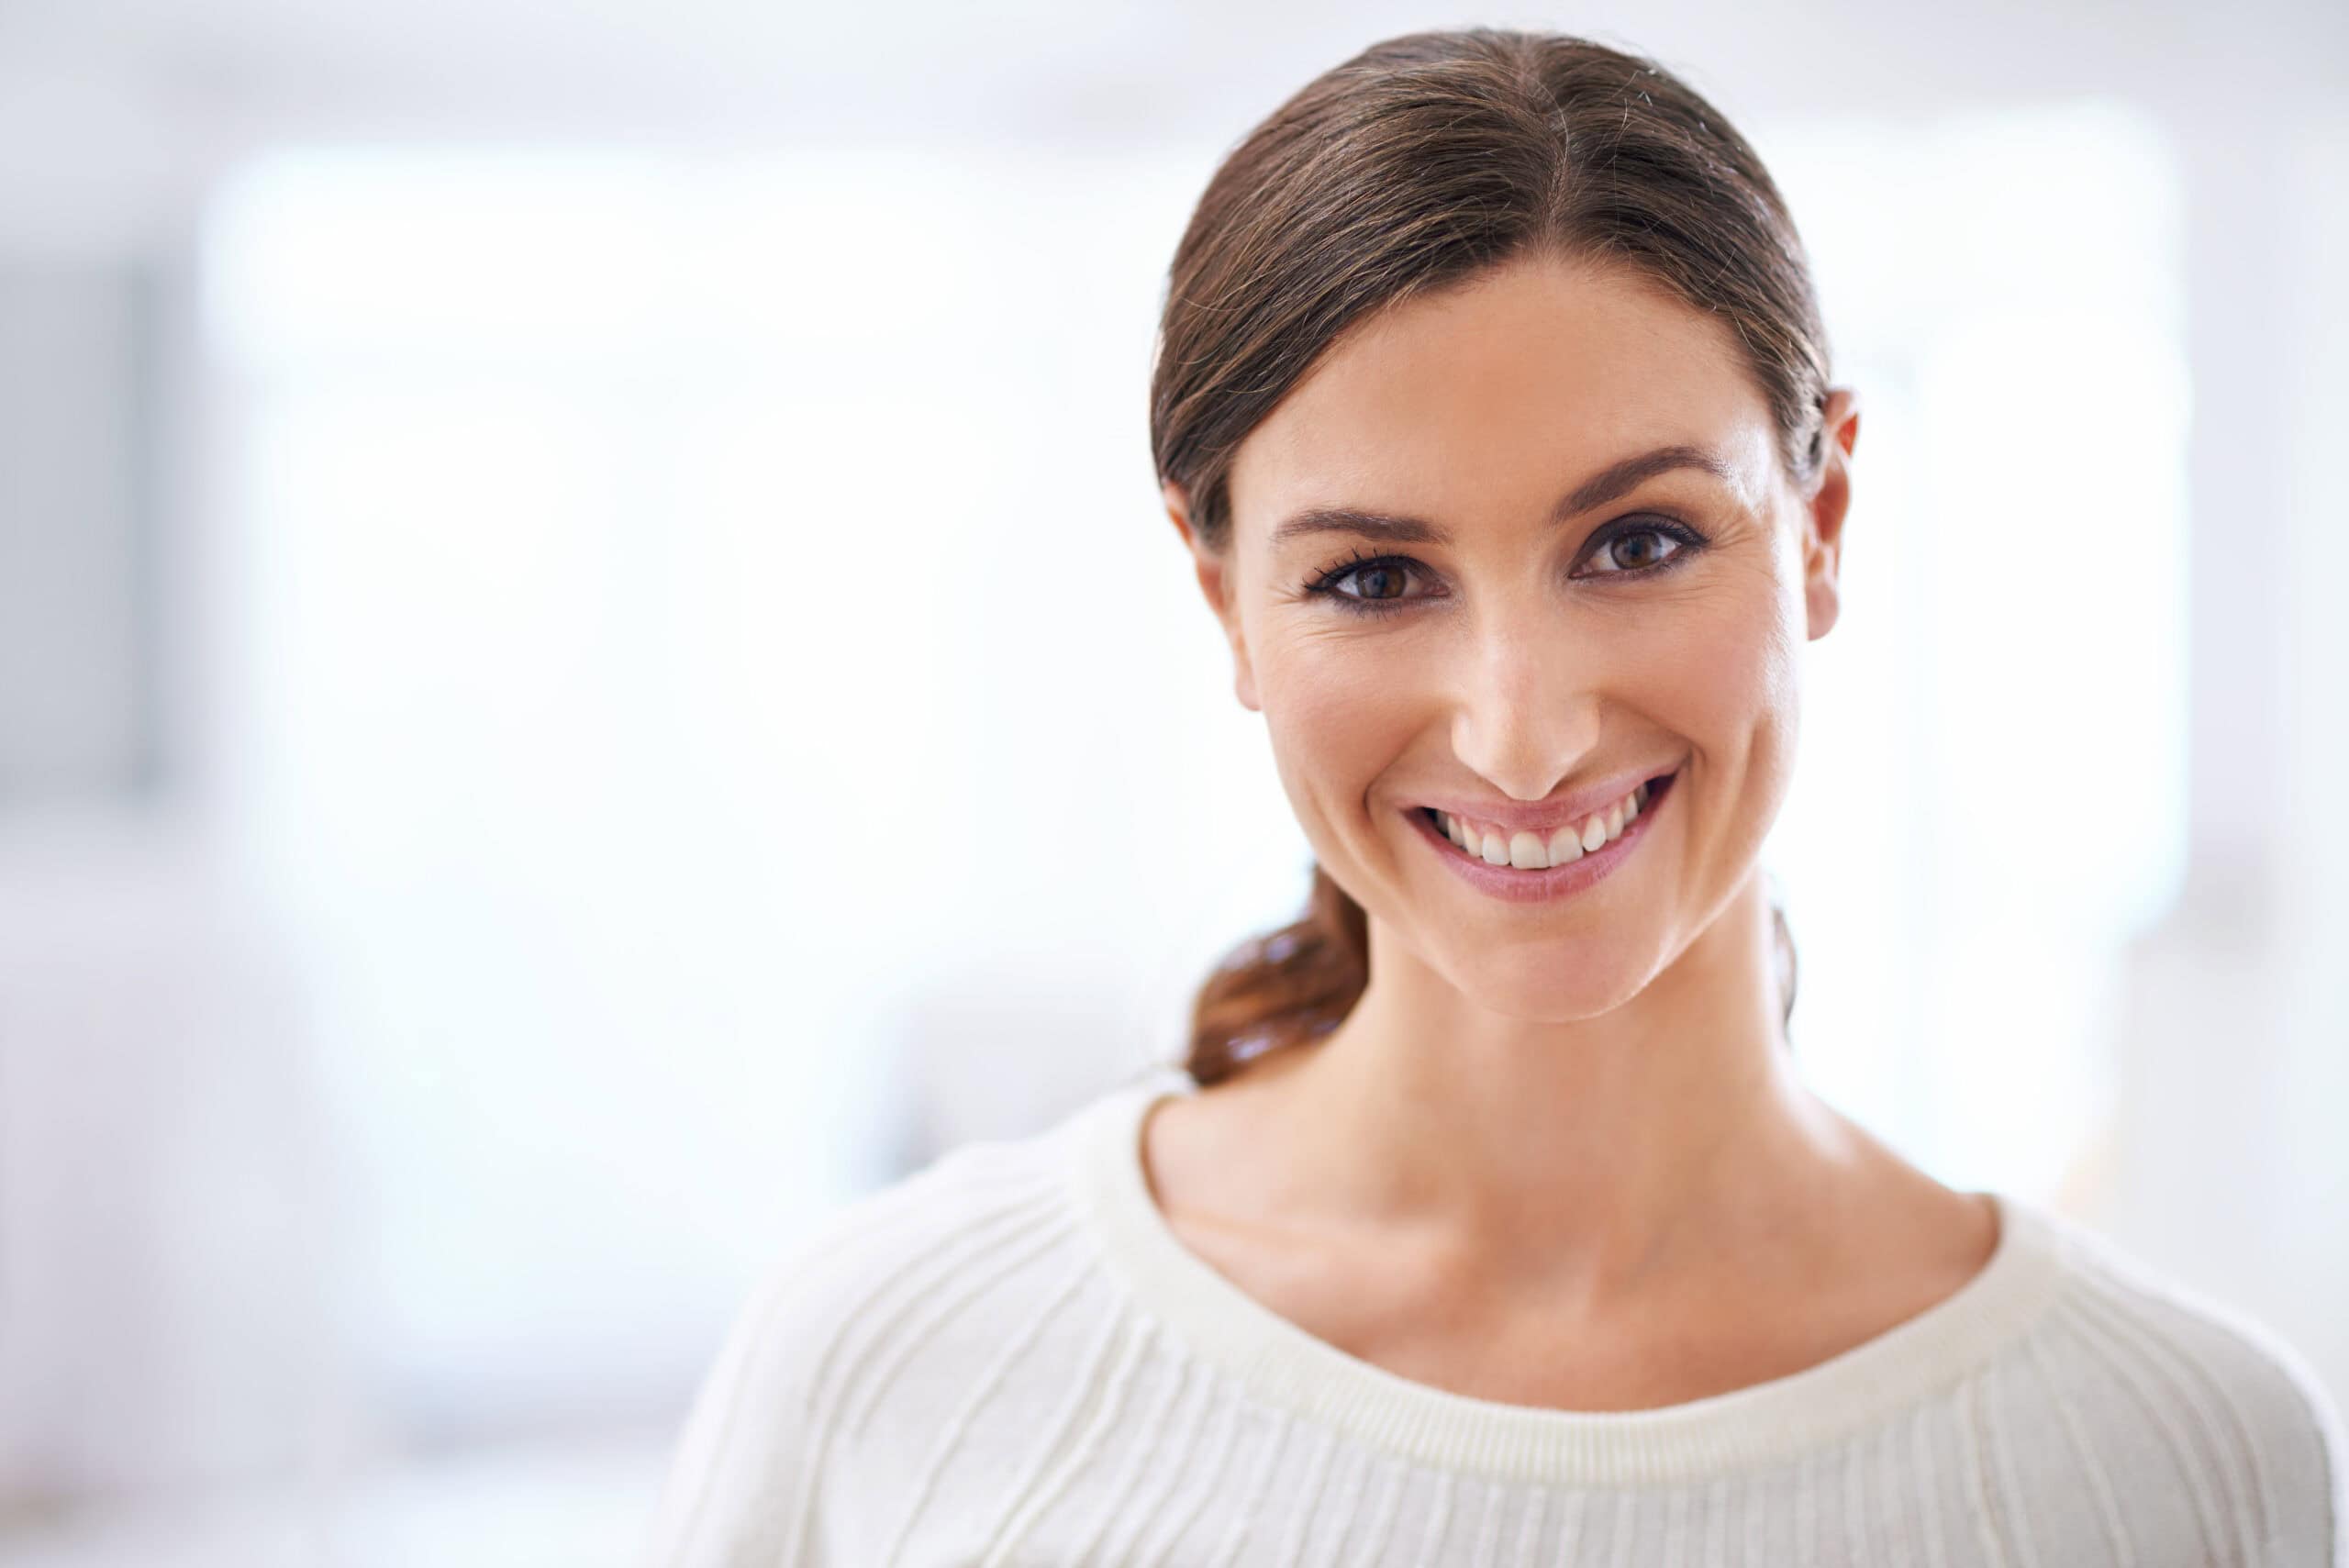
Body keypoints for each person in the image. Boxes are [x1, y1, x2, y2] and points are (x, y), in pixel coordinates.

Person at [643, 27, 2344, 1565]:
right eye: (1376, 578)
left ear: (1821, 525)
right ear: (1223, 600)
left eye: (1640, 542)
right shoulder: (895, 1361)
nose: (1522, 737)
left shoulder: (2177, 1461)